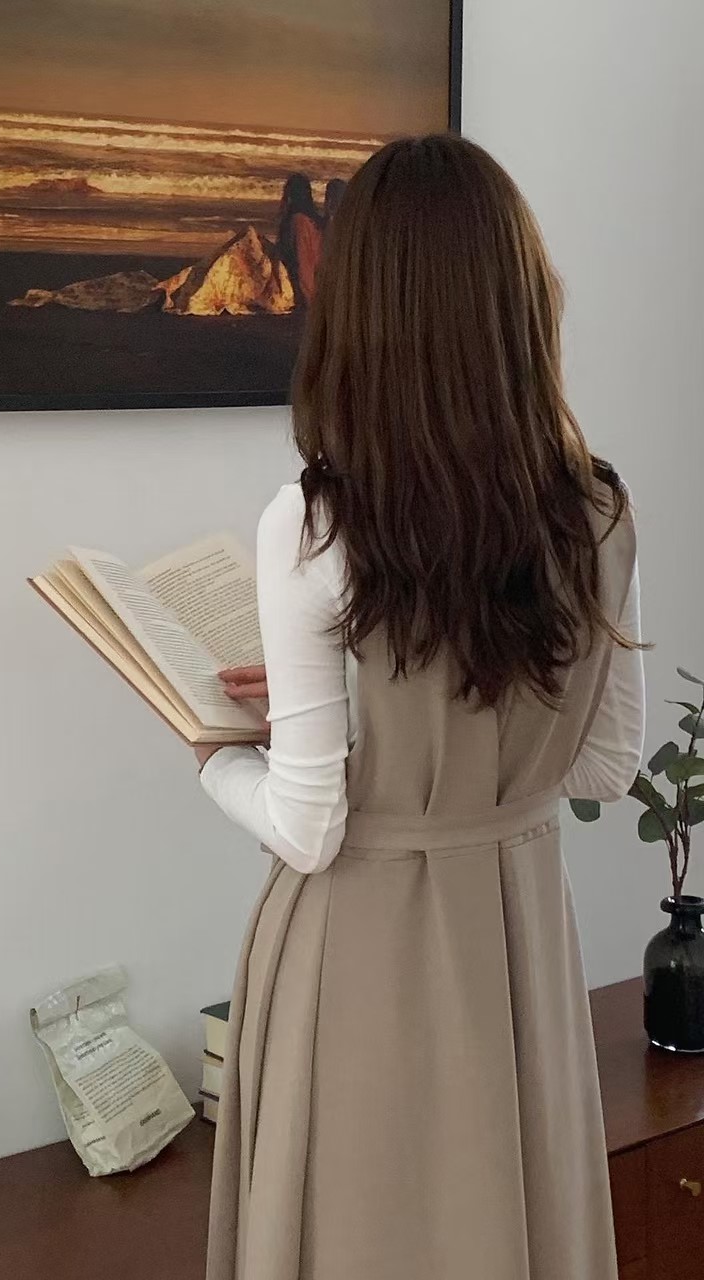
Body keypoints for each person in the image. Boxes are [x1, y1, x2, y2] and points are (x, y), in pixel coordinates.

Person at [196, 135, 644, 1280]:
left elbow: (308, 826)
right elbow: (603, 765)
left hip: (362, 960)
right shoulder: (595, 510)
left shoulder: (315, 523)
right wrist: (373, 707)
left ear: (359, 311)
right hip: (518, 948)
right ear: (519, 301)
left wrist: (211, 754)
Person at [276, 173, 323, 306]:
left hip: (302, 286)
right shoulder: (313, 220)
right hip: (314, 281)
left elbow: (303, 261)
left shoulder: (299, 221)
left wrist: (309, 298)